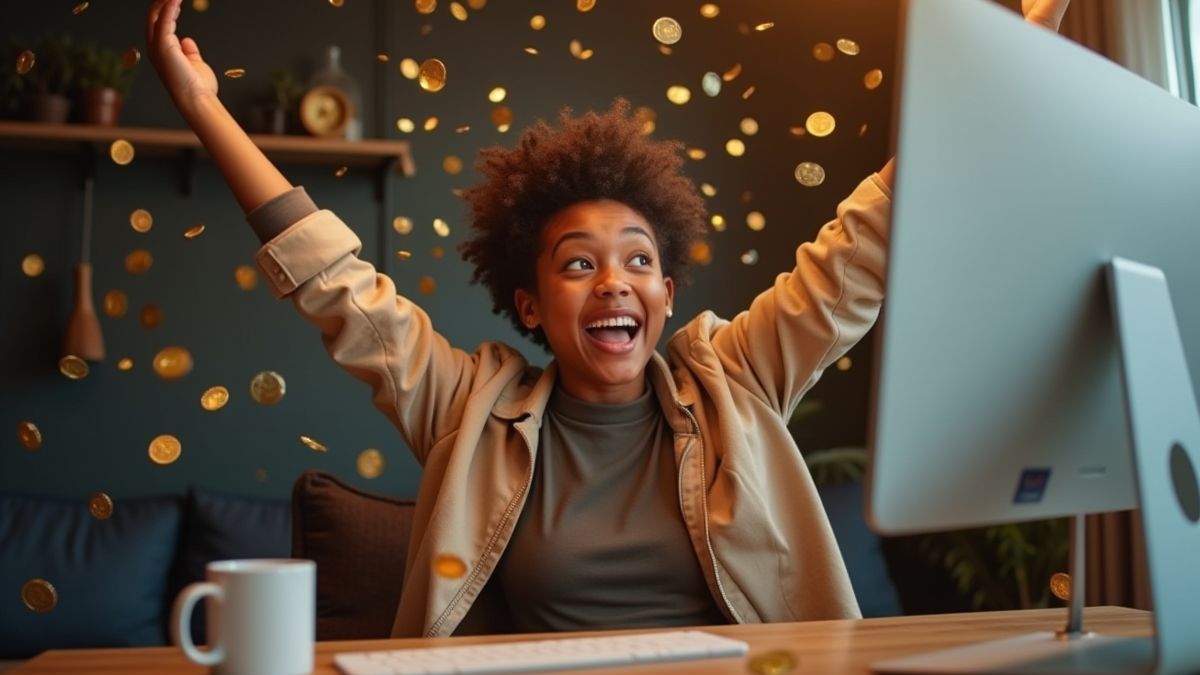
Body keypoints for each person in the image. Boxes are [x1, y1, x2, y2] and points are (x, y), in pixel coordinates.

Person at [146, 0, 1071, 637]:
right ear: (530, 303)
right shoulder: (469, 408)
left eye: (638, 261)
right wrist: (203, 110)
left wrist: (1002, 65)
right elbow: (335, 283)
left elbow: (861, 247)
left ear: (667, 293)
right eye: (578, 264)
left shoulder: (736, 377)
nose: (613, 284)